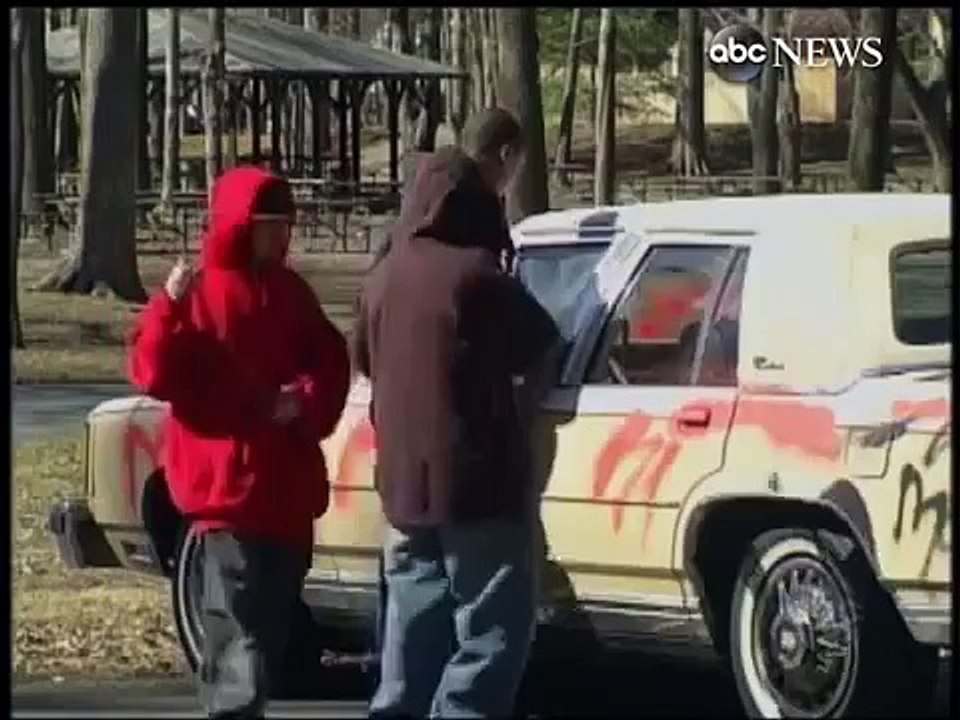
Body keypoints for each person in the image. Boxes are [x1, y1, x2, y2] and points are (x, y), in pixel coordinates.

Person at [354, 108, 560, 718]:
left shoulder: (383, 278)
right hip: (476, 479)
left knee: (412, 627)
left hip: (402, 483)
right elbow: (541, 345)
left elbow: (362, 358)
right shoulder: (475, 277)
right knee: (494, 627)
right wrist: (520, 410)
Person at [127, 166, 351, 719]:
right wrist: (167, 306)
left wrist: (303, 397)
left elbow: (329, 360)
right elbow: (153, 370)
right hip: (224, 495)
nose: (279, 236)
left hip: (286, 494)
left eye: (284, 224)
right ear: (239, 226)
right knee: (239, 633)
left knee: (265, 631)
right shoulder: (198, 294)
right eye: (267, 224)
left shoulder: (290, 292)